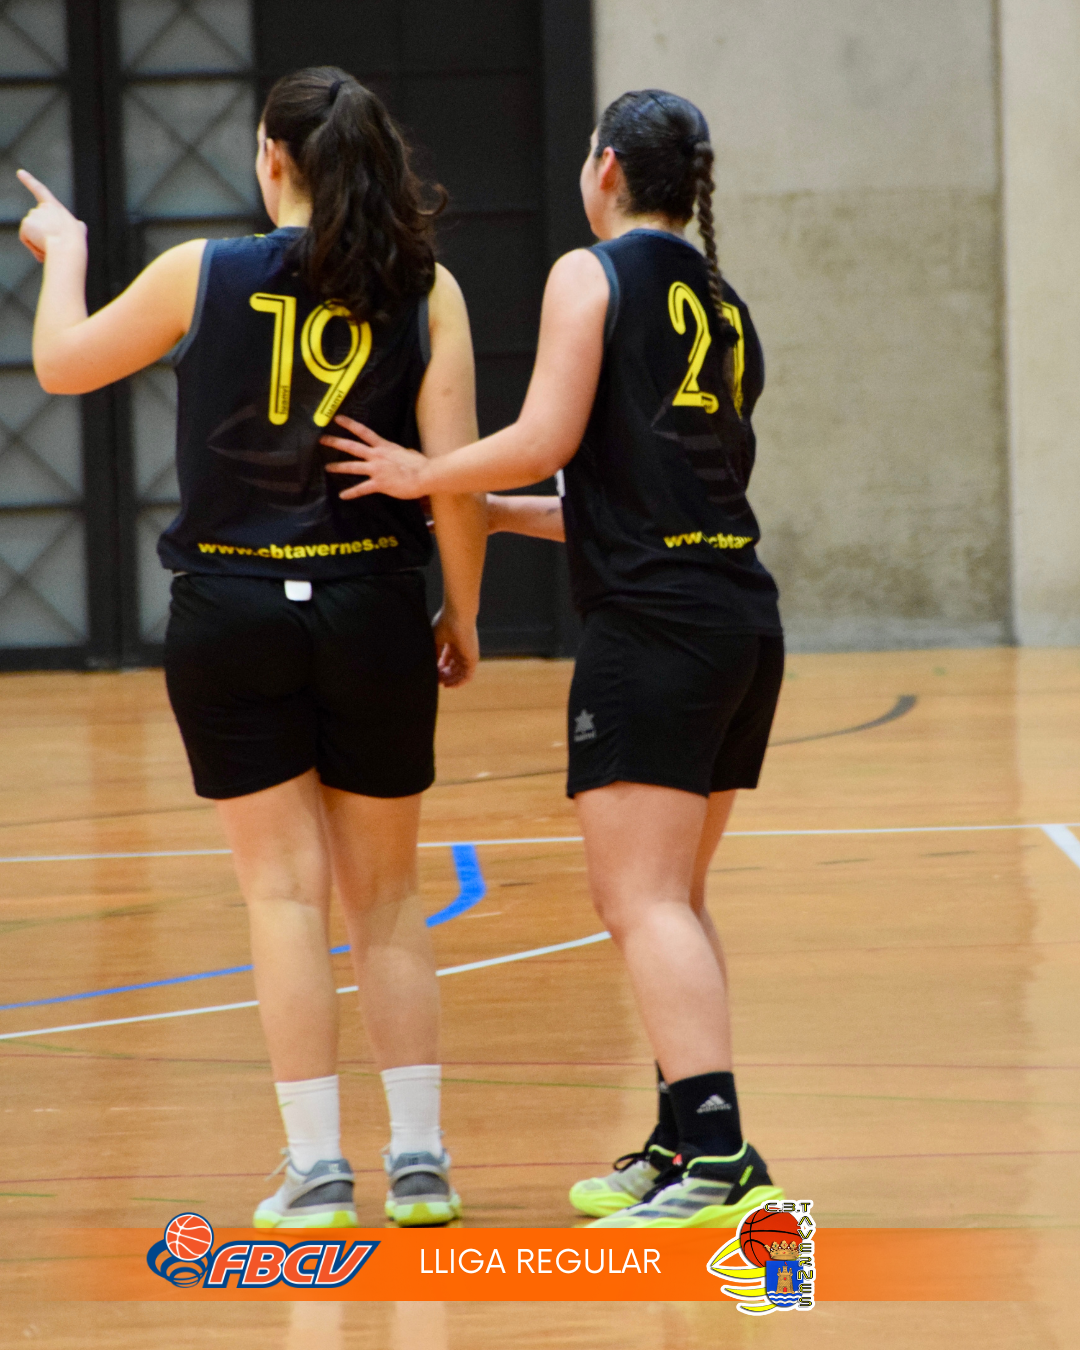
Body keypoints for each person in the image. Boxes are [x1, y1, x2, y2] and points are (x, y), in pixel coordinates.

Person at [17, 66, 486, 1229]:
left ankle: (317, 1172)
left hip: (230, 612)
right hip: (372, 607)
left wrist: (65, 250)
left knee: (282, 898)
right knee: (389, 899)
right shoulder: (428, 289)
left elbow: (63, 365)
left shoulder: (201, 271)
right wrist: (463, 613)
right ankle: (419, 1163)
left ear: (272, 158)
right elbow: (455, 484)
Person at [319, 88, 787, 1229]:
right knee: (674, 899)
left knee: (641, 901)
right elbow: (620, 499)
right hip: (736, 616)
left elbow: (544, 438)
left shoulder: (594, 273)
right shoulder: (723, 303)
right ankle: (684, 1141)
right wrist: (486, 510)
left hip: (655, 627)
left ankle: (721, 1157)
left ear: (607, 167)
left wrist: (427, 473)